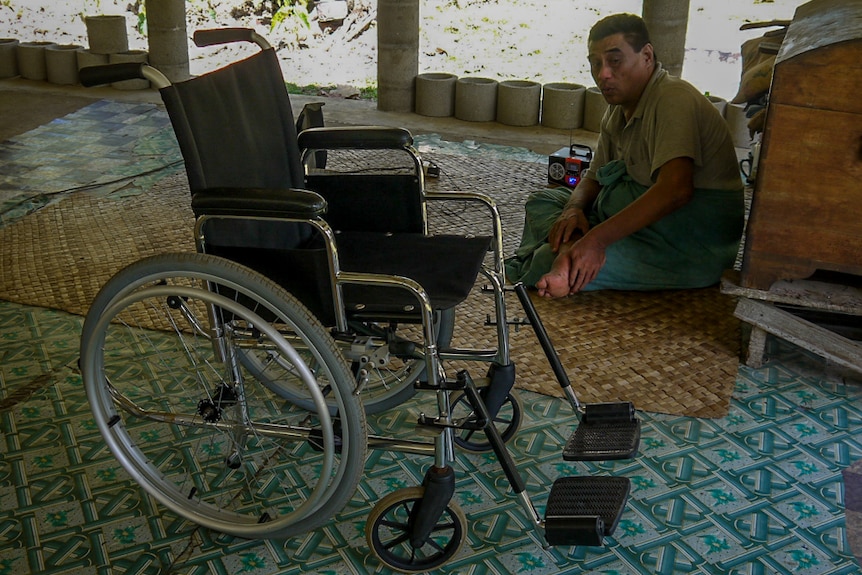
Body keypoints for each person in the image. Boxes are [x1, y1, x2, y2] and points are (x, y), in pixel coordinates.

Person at [505, 13, 744, 298]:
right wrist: (574, 212)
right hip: (638, 226)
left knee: (546, 260)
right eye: (595, 63)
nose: (603, 74)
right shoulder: (618, 109)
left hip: (686, 247)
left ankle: (567, 256)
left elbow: (676, 191)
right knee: (545, 200)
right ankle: (571, 247)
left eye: (614, 61)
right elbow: (593, 176)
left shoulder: (673, 99)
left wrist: (596, 241)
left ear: (646, 56)